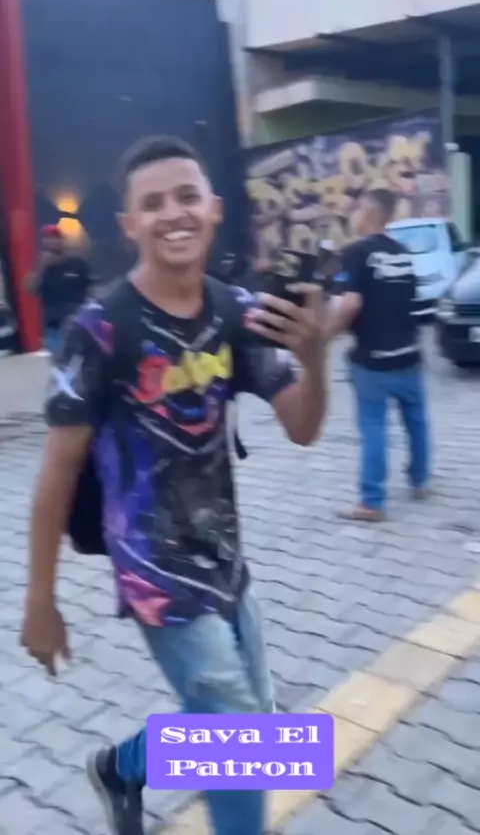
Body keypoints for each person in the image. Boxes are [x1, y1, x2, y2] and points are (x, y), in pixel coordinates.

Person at [21, 136, 328, 835]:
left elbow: (304, 429)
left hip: (227, 560)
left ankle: (124, 766)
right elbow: (57, 472)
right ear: (129, 224)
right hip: (154, 570)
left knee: (247, 726)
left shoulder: (237, 312)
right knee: (248, 742)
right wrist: (41, 602)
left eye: (187, 196)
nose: (173, 214)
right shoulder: (100, 331)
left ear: (214, 209)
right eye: (153, 203)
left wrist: (316, 360)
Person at [326, 188, 429, 521]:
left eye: (357, 209)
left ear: (369, 212)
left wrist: (326, 336)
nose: (353, 215)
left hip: (373, 359)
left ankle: (372, 501)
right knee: (416, 420)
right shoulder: (404, 254)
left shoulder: (356, 252)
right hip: (409, 354)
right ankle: (420, 481)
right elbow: (411, 302)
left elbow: (350, 304)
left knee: (374, 426)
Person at [26, 224, 92, 354]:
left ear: (62, 241)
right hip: (53, 327)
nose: (52, 241)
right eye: (48, 238)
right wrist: (40, 268)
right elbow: (29, 289)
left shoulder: (77, 263)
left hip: (78, 324)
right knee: (59, 360)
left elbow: (91, 292)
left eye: (55, 238)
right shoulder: (43, 266)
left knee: (82, 358)